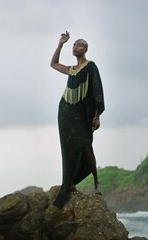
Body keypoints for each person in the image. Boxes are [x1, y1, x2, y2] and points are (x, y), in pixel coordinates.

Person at [50, 31, 105, 209]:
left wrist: (96, 115)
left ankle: (97, 182)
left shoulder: (90, 66)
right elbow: (53, 64)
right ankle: (70, 183)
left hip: (82, 113)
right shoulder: (71, 70)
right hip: (66, 110)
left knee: (85, 145)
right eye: (74, 45)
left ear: (85, 49)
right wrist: (61, 44)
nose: (75, 47)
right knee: (68, 148)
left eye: (79, 45)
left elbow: (97, 90)